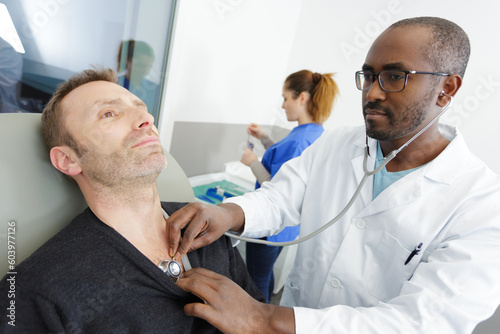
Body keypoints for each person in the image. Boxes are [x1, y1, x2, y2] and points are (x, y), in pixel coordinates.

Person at [166, 17, 500, 333]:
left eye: (395, 76)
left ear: (447, 88)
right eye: (368, 76)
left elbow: (424, 322)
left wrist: (264, 318)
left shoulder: (481, 205)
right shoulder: (340, 143)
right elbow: (279, 197)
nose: (372, 93)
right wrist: (227, 213)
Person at [0, 67, 264, 333]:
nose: (146, 118)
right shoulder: (38, 290)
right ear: (68, 159)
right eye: (109, 113)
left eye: (142, 107)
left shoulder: (206, 228)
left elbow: (261, 318)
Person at [240, 70, 339, 302]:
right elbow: (290, 166)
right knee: (265, 275)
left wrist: (252, 162)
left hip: (270, 225)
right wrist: (264, 138)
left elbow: (279, 191)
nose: (283, 105)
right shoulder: (315, 134)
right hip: (286, 229)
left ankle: (259, 323)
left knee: (256, 282)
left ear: (302, 98)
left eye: (286, 98)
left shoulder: (298, 140)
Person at [116, 40, 160, 121]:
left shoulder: (155, 90)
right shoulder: (115, 85)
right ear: (128, 61)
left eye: (148, 67)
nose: (144, 70)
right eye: (139, 65)